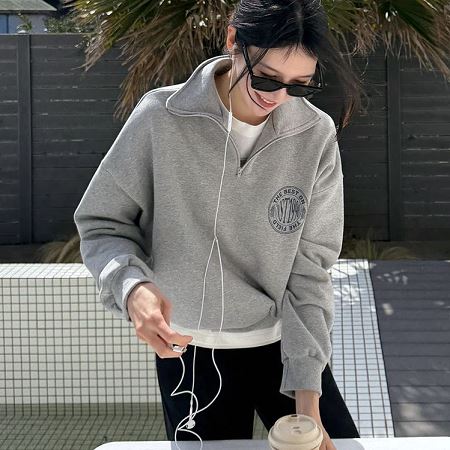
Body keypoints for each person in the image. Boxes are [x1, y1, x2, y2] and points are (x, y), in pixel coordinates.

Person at [74, 1, 362, 449]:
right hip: (189, 352)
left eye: (299, 85)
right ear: (233, 41)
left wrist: (308, 398)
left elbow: (310, 270)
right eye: (265, 77)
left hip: (284, 346)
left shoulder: (314, 134)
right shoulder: (162, 117)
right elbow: (102, 223)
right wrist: (133, 288)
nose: (277, 96)